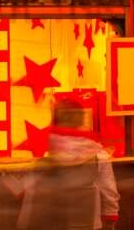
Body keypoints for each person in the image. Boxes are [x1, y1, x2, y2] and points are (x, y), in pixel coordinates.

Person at [21, 99, 121, 230]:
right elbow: (109, 189)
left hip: (53, 221)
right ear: (82, 119)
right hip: (88, 221)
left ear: (55, 119)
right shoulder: (99, 154)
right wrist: (110, 216)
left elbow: (29, 190)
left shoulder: (48, 153)